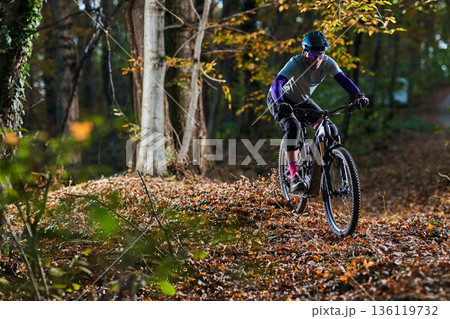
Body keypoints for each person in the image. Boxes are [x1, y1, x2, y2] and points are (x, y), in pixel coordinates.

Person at [268, 31, 369, 193]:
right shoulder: (295, 63)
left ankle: (342, 178)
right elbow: (276, 84)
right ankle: (294, 176)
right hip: (281, 99)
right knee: (293, 125)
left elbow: (343, 79)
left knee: (330, 129)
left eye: (320, 54)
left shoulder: (328, 63)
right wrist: (280, 103)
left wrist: (359, 95)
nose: (317, 59)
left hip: (303, 100)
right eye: (312, 54)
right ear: (304, 53)